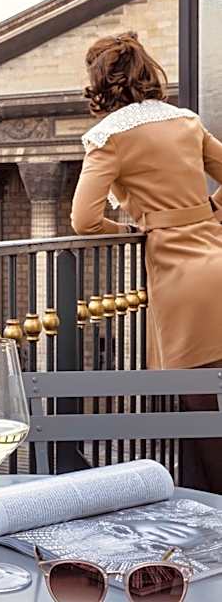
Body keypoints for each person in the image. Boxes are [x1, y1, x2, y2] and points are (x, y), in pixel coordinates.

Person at [71, 31, 222, 492]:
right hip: (217, 257)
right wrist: (212, 211)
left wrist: (130, 230)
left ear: (100, 83)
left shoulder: (109, 138)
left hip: (181, 282)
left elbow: (83, 218)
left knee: (203, 424)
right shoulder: (185, 122)